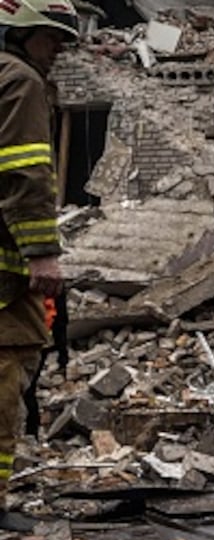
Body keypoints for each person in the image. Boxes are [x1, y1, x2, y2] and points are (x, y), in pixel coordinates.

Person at [0, 0, 76, 508]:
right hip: (4, 278)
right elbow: (25, 173)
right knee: (6, 375)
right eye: (51, 38)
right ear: (23, 35)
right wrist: (42, 255)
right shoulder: (20, 80)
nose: (57, 51)